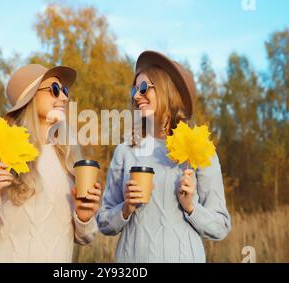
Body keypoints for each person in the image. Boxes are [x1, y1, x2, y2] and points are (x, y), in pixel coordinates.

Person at [96, 50, 231, 262]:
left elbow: (221, 227)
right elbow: (103, 222)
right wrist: (126, 208)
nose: (136, 96)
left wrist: (191, 207)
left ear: (167, 90)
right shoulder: (125, 151)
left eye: (143, 88)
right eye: (134, 90)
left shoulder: (199, 150)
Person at [0, 64, 101, 262]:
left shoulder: (69, 158)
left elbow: (85, 237)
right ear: (30, 99)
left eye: (65, 91)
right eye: (55, 90)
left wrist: (84, 217)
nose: (64, 98)